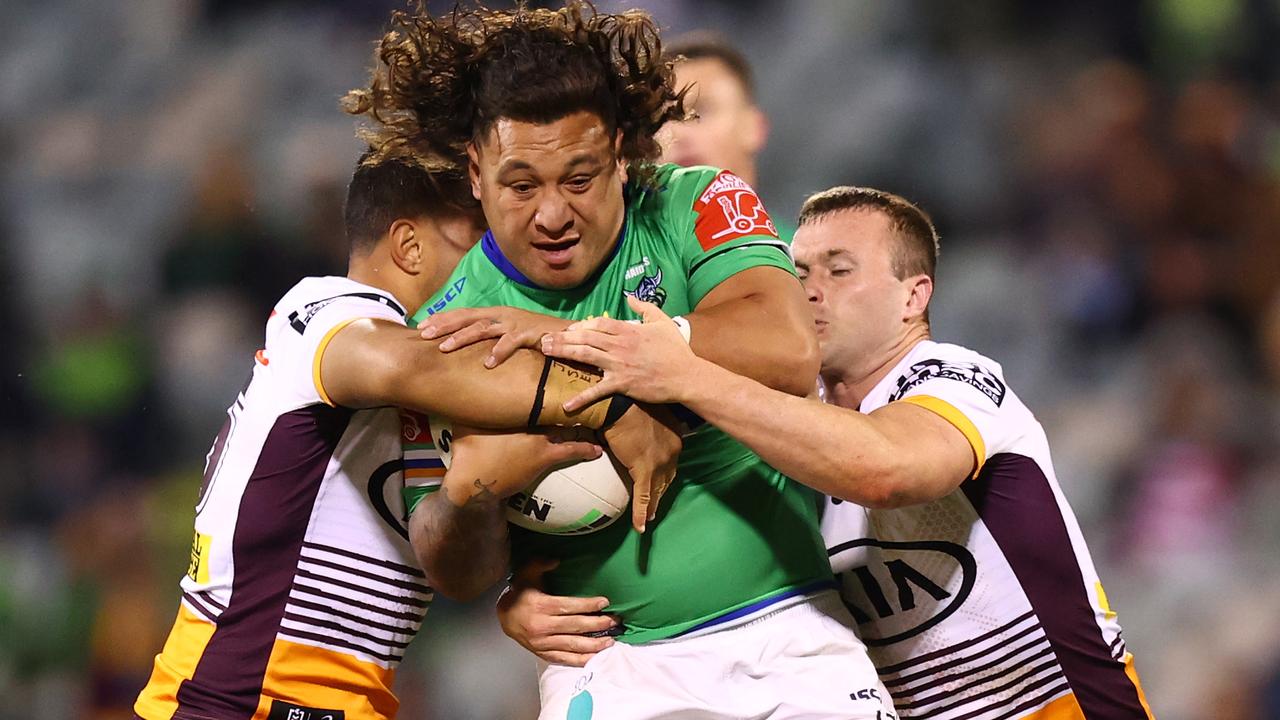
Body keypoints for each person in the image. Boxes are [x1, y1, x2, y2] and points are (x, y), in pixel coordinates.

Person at [343, 3, 896, 718]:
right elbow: (455, 569)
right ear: (475, 174)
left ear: (625, 154)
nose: (551, 215)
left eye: (579, 179)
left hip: (793, 633)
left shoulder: (698, 203)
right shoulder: (443, 334)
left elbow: (789, 350)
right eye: (521, 186)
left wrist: (575, 345)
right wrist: (470, 494)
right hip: (612, 667)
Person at [533, 186, 1157, 719]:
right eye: (796, 274)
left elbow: (887, 469)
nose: (809, 292)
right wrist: (521, 599)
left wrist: (689, 374)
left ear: (915, 297)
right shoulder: (783, 427)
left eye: (839, 270)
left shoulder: (955, 379)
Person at [132, 154, 666, 720]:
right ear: (409, 246)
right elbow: (402, 366)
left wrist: (479, 494)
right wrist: (609, 399)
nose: (497, 276)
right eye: (477, 248)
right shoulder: (324, 313)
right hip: (234, 703)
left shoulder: (436, 405)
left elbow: (459, 572)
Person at [659, 33, 794, 240]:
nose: (678, 132)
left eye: (700, 111)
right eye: (661, 118)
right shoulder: (614, 264)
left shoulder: (801, 263)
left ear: (754, 127)